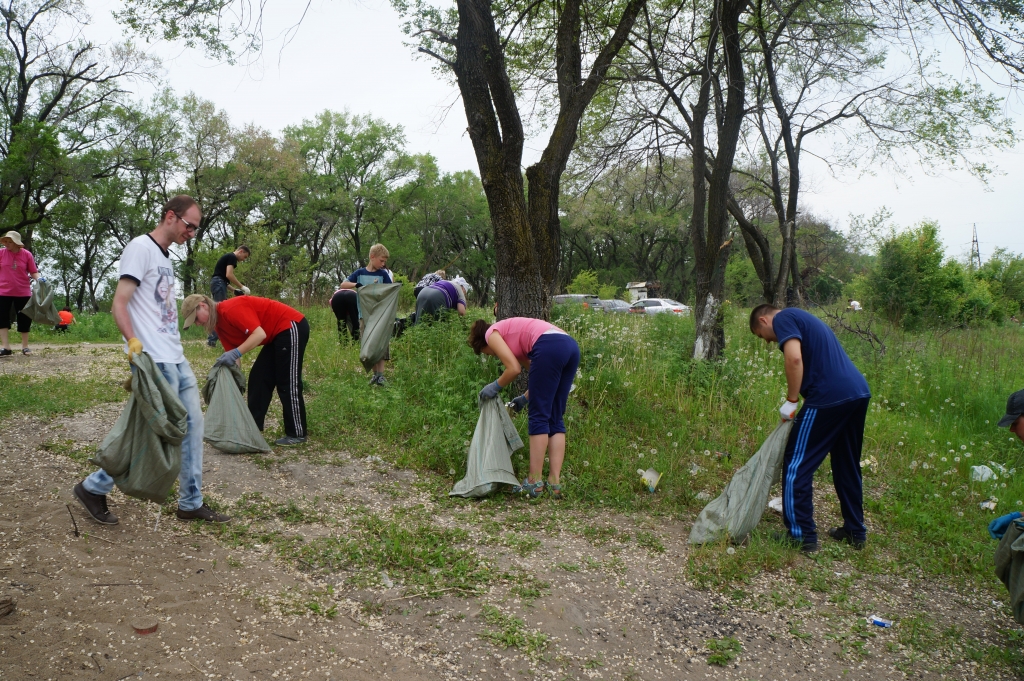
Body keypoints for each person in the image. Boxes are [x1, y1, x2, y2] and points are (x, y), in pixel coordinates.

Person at [73, 195, 231, 526]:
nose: (191, 233)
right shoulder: (140, 248)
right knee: (155, 434)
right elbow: (120, 303)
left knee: (192, 427)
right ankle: (94, 486)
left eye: (195, 229)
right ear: (171, 217)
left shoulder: (165, 258)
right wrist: (133, 344)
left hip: (175, 356)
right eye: (190, 226)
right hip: (154, 359)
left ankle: (190, 502)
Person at [749, 303, 871, 553]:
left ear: (763, 320)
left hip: (829, 396)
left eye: (763, 338)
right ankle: (855, 531)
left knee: (796, 463)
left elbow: (794, 357)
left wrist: (792, 400)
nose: (769, 343)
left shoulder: (783, 318)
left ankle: (802, 536)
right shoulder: (804, 318)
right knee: (847, 464)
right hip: (857, 392)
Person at [468, 317, 580, 499]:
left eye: (488, 353)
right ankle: (554, 483)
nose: (494, 355)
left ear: (484, 344)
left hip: (550, 346)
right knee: (555, 417)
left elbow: (513, 369)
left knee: (538, 417)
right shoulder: (517, 342)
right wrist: (524, 398)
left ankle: (534, 482)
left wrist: (494, 386)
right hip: (569, 347)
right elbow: (539, 379)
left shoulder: (491, 334)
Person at [180, 293, 309, 446]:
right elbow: (234, 358)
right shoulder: (219, 326)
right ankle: (253, 427)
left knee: (287, 381)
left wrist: (236, 352)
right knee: (258, 378)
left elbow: (259, 334)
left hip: (291, 326)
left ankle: (297, 433)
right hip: (275, 335)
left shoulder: (231, 309)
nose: (197, 323)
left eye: (195, 318)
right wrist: (232, 379)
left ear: (203, 305)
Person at [340, 243, 395, 386]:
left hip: (380, 315)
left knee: (381, 343)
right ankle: (374, 375)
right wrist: (355, 285)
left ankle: (381, 375)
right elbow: (342, 285)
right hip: (364, 315)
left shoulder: (382, 274)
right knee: (369, 344)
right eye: (381, 261)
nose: (383, 264)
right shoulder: (359, 274)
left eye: (385, 262)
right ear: (372, 257)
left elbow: (390, 290)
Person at [0, 231, 41, 356]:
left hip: (23, 291)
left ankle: (25, 347)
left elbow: (33, 271)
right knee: (2, 318)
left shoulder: (27, 255)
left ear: (17, 243)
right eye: (6, 241)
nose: (7, 244)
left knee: (24, 318)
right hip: (3, 291)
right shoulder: (1, 253)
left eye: (10, 241)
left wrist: (39, 279)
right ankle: (6, 348)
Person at [207, 246, 251, 347]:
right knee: (220, 311)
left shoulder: (228, 257)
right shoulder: (232, 257)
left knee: (220, 311)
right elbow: (229, 275)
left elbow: (222, 279)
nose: (243, 260)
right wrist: (242, 286)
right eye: (244, 257)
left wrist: (234, 290)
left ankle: (217, 338)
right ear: (240, 251)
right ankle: (212, 340)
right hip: (218, 284)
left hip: (218, 283)